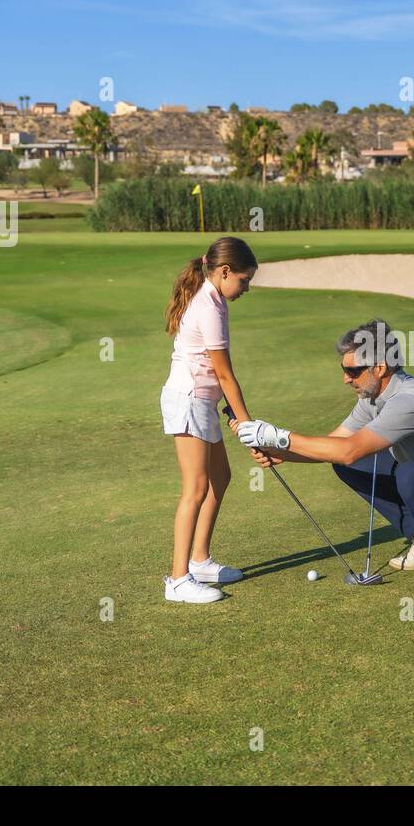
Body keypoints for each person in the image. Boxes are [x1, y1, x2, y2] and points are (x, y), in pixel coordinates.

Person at [234, 318, 414, 591]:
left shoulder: (412, 399)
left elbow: (349, 450)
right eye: (344, 369)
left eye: (352, 370)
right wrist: (282, 451)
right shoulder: (371, 399)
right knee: (349, 466)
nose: (345, 378)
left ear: (380, 367)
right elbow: (337, 444)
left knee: (410, 474)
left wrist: (277, 436)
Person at [160, 236, 257, 604]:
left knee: (221, 477)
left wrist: (235, 412)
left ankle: (199, 560)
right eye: (244, 281)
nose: (246, 289)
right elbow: (226, 374)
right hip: (189, 401)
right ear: (225, 272)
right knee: (196, 489)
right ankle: (177, 580)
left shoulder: (214, 297)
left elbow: (218, 376)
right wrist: (250, 428)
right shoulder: (209, 307)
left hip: (201, 399)